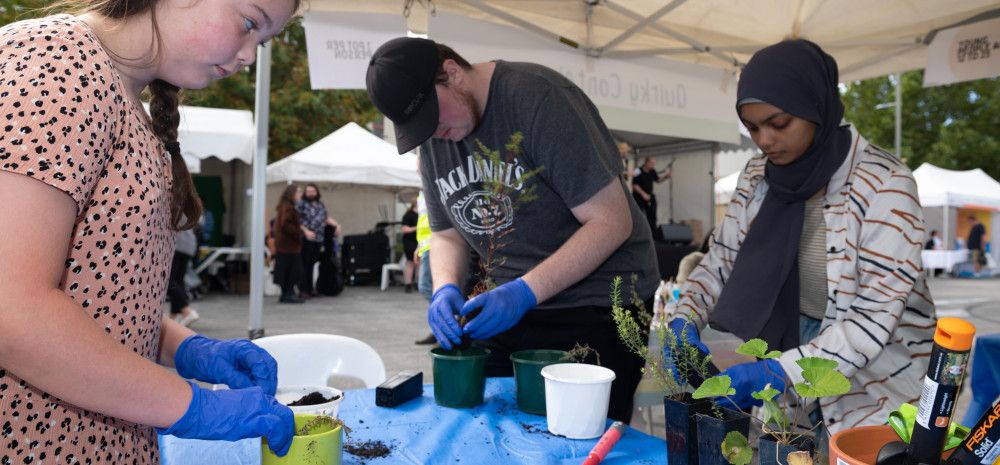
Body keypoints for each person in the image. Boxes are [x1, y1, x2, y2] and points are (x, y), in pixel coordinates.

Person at [0, 1, 299, 463]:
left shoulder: (123, 96)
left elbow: (97, 294)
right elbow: (12, 308)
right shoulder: (53, 61)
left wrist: (183, 347)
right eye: (248, 23)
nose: (249, 57)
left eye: (262, 41)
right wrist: (190, 405)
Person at [365, 37, 659, 422]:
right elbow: (445, 234)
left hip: (600, 301)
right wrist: (445, 289)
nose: (434, 134)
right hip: (509, 303)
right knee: (479, 421)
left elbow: (611, 221)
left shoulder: (540, 100)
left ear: (452, 73)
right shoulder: (435, 135)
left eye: (434, 119)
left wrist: (524, 292)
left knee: (575, 433)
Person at [666, 39, 936, 434]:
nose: (764, 140)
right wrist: (683, 318)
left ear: (816, 107)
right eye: (752, 127)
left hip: (879, 392)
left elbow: (873, 317)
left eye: (778, 124)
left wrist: (780, 371)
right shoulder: (758, 177)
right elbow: (717, 264)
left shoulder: (885, 185)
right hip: (791, 380)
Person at [273, 185, 306, 304]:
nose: (300, 194)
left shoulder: (285, 206)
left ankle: (286, 294)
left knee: (285, 269)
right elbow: (286, 224)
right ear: (292, 193)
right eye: (299, 192)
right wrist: (299, 232)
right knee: (293, 270)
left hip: (284, 244)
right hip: (289, 244)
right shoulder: (288, 207)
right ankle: (288, 294)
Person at [296, 183, 327, 297]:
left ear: (317, 192)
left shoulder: (320, 205)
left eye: (312, 191)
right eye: (308, 191)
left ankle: (310, 289)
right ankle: (303, 290)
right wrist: (306, 231)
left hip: (318, 239)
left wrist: (337, 226)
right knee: (304, 264)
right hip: (306, 238)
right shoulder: (301, 204)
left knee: (312, 264)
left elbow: (325, 218)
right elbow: (296, 220)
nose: (310, 193)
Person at [169, 227, 201, 326]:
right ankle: (173, 317)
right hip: (188, 244)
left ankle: (187, 311)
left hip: (177, 243)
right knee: (177, 281)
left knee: (168, 281)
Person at [632, 156, 671, 235]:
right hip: (638, 197)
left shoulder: (652, 171)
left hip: (649, 196)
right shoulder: (637, 170)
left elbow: (658, 180)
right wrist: (643, 194)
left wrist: (666, 177)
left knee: (652, 216)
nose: (653, 165)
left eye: (654, 163)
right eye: (651, 163)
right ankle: (636, 235)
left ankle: (654, 236)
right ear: (646, 162)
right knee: (638, 216)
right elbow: (634, 185)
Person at [401, 196, 419, 292]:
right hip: (410, 241)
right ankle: (408, 284)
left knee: (419, 263)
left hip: (420, 241)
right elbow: (404, 229)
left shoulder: (422, 214)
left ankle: (417, 283)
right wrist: (416, 228)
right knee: (410, 262)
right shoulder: (408, 215)